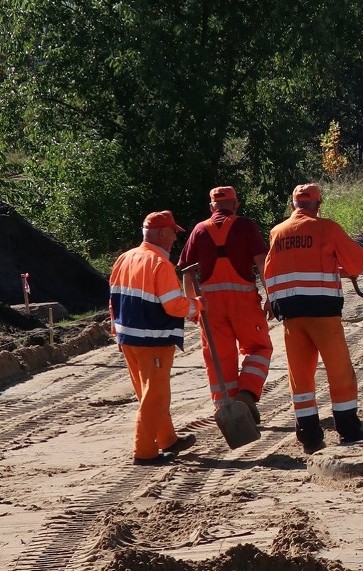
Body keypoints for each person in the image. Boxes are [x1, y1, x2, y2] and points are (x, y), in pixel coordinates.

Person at [264, 183, 363, 454]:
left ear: (293, 206)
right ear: (318, 205)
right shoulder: (327, 229)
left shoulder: (277, 232)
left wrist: (276, 305)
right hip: (322, 312)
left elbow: (274, 272)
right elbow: (358, 261)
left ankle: (309, 436)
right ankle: (349, 430)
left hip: (290, 315)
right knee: (340, 371)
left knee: (300, 376)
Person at [109, 210, 203, 465]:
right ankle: (144, 451)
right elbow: (173, 305)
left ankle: (168, 440)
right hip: (152, 340)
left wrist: (115, 329)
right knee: (155, 396)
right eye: (173, 233)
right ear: (161, 233)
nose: (175, 238)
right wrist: (197, 305)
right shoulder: (159, 264)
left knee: (147, 392)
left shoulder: (125, 258)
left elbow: (113, 300)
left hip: (128, 337)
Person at [178, 185, 273, 425]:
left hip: (210, 307)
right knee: (259, 349)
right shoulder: (245, 226)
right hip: (244, 303)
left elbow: (188, 273)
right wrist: (272, 296)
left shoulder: (199, 230)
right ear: (236, 204)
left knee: (219, 360)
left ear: (212, 207)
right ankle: (247, 394)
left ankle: (229, 414)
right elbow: (262, 262)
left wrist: (192, 308)